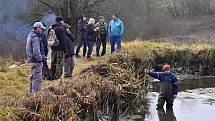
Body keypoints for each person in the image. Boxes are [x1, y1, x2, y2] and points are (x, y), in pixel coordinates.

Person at [26, 22, 46, 93]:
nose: (42, 30)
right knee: (37, 78)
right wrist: (41, 59)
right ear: (38, 28)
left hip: (32, 61)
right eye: (42, 29)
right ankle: (36, 96)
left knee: (32, 78)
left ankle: (31, 95)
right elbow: (36, 51)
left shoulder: (31, 35)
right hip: (36, 61)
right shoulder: (36, 37)